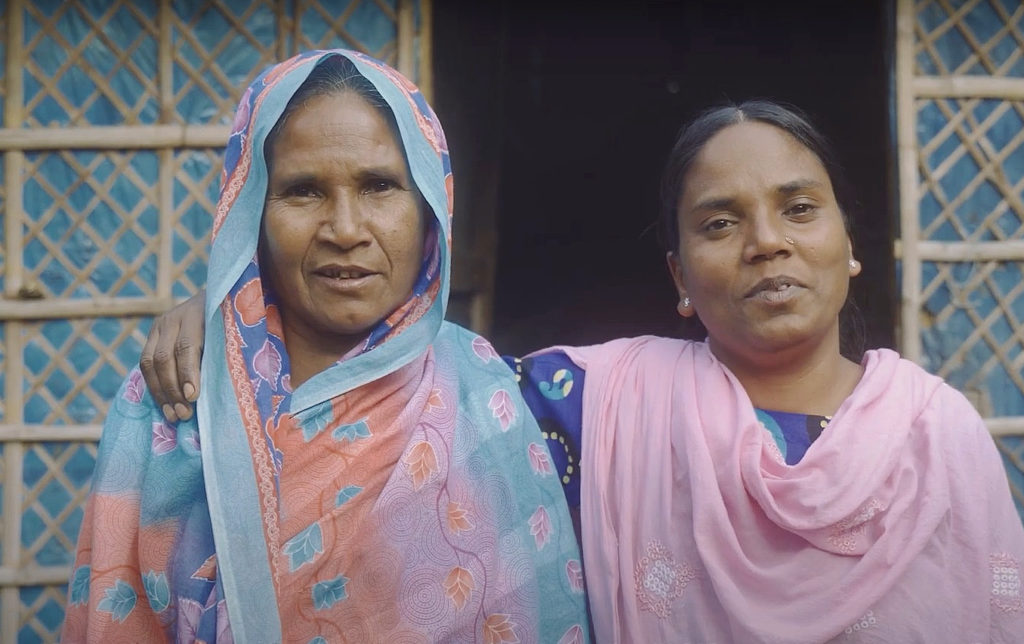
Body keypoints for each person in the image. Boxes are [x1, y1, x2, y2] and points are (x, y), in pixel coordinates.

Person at [139, 98, 1024, 642]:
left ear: (849, 244)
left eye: (799, 209)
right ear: (678, 278)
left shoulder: (938, 435)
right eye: (720, 223)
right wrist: (243, 318)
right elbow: (405, 385)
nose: (767, 242)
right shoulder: (583, 404)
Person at [62, 50, 590, 643]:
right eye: (304, 191)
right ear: (250, 214)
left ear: (430, 209)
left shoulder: (482, 393)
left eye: (379, 186)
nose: (344, 228)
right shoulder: (176, 396)